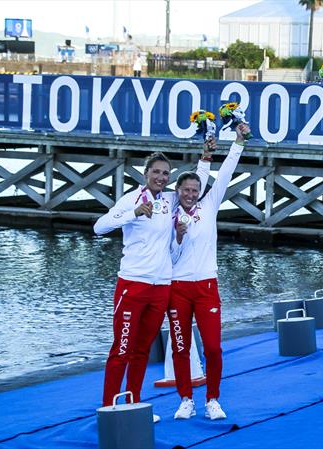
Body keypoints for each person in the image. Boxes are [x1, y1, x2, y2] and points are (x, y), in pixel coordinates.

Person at [93, 151, 208, 421]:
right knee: (122, 348)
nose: (160, 177)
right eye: (156, 172)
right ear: (146, 174)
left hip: (161, 287)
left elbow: (194, 186)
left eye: (165, 173)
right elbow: (99, 227)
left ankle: (133, 402)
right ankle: (110, 408)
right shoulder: (132, 198)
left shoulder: (170, 200)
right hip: (133, 284)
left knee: (142, 350)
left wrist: (206, 154)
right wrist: (132, 214)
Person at [168, 127, 249, 420]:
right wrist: (177, 236)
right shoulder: (171, 215)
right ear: (178, 192)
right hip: (177, 288)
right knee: (180, 347)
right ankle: (185, 399)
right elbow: (171, 257)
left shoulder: (209, 205)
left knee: (213, 348)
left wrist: (237, 143)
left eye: (194, 190)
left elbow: (225, 173)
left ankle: (212, 399)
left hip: (206, 286)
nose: (190, 194)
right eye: (185, 191)